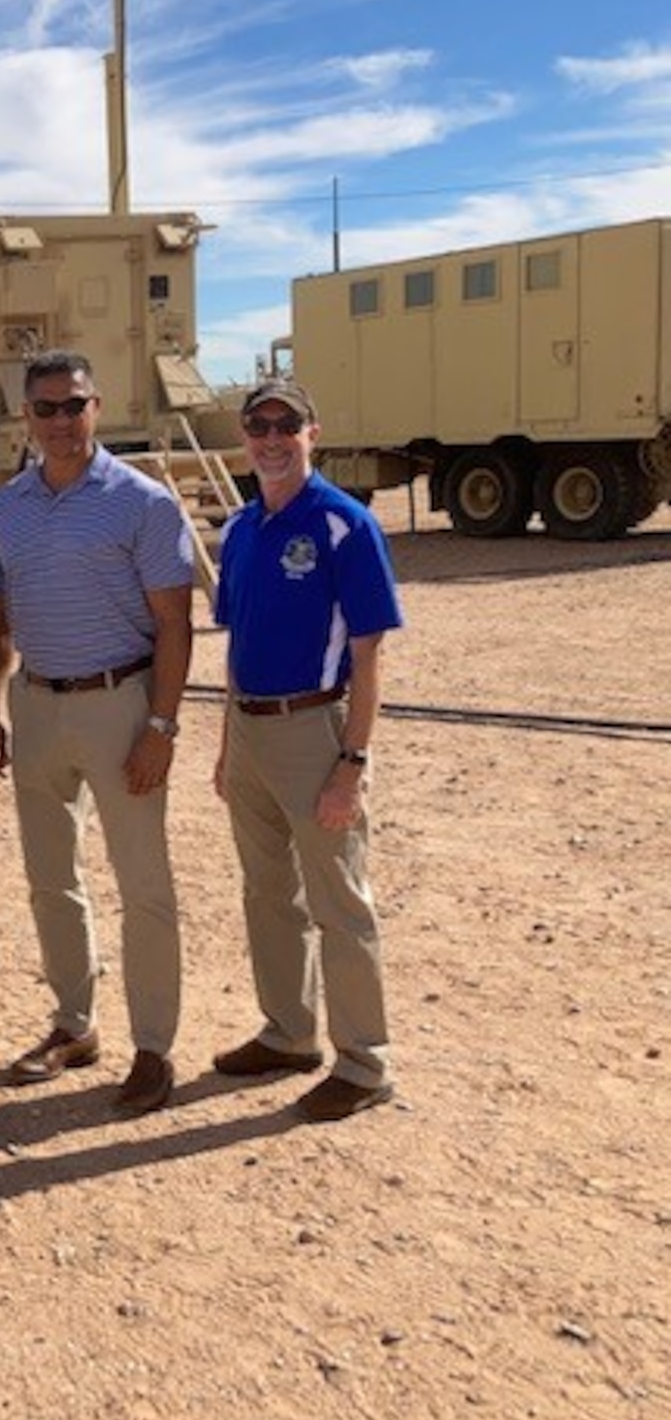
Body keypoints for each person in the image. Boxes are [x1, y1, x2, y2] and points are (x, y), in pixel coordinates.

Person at [0, 350, 195, 1115]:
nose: (62, 422)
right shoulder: (3, 509)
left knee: (144, 886)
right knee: (50, 881)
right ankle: (74, 1026)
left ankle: (154, 1048)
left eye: (75, 405)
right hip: (37, 706)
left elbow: (175, 623)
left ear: (97, 407)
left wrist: (161, 726)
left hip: (120, 704)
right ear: (26, 418)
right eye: (46, 408)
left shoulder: (143, 502)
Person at [211, 379, 403, 1121]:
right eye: (257, 424)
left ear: (311, 433)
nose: (270, 437)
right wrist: (230, 747)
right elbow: (235, 646)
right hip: (253, 731)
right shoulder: (239, 530)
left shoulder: (344, 525)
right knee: (267, 893)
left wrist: (351, 765)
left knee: (339, 901)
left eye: (285, 423)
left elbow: (369, 655)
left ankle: (364, 1063)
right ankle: (289, 1032)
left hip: (315, 731)